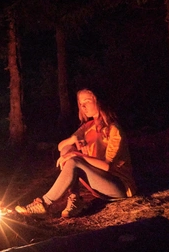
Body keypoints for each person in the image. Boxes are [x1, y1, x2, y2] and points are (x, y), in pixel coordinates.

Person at [15, 89, 137, 218]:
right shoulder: (87, 127)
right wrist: (72, 140)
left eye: (87, 101)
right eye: (80, 103)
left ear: (99, 102)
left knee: (74, 159)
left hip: (119, 187)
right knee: (67, 150)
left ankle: (45, 203)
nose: (83, 106)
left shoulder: (114, 129)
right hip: (98, 182)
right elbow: (61, 147)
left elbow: (107, 166)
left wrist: (78, 156)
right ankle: (75, 199)